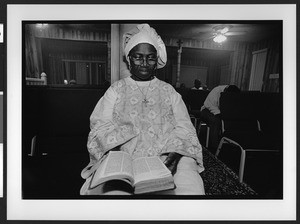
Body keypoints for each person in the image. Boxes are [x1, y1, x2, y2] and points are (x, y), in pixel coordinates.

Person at [80, 24, 205, 195]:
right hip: (123, 154)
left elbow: (185, 127)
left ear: (156, 60)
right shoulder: (115, 90)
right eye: (138, 57)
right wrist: (117, 154)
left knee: (189, 186)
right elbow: (100, 126)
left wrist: (174, 155)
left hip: (166, 154)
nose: (145, 63)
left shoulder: (169, 91)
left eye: (150, 58)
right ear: (129, 59)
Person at [200, 85, 240, 152]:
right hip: (206, 110)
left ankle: (229, 145)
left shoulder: (234, 93)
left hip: (221, 112)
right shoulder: (216, 90)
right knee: (215, 120)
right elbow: (209, 105)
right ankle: (214, 147)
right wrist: (221, 114)